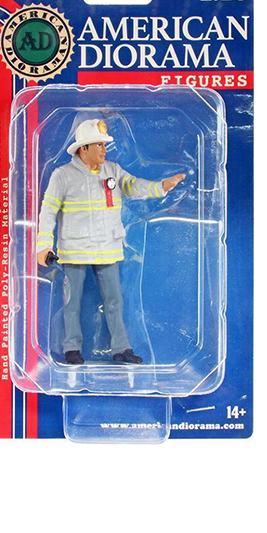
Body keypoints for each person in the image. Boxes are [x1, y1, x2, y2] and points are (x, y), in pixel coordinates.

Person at [36, 118, 186, 365]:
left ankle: (121, 347)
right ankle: (71, 347)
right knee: (72, 302)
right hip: (74, 249)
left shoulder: (113, 171)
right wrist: (43, 246)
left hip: (107, 247)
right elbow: (48, 211)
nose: (105, 150)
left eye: (105, 145)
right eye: (99, 145)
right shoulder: (62, 175)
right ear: (84, 148)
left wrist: (161, 187)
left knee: (115, 300)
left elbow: (133, 186)